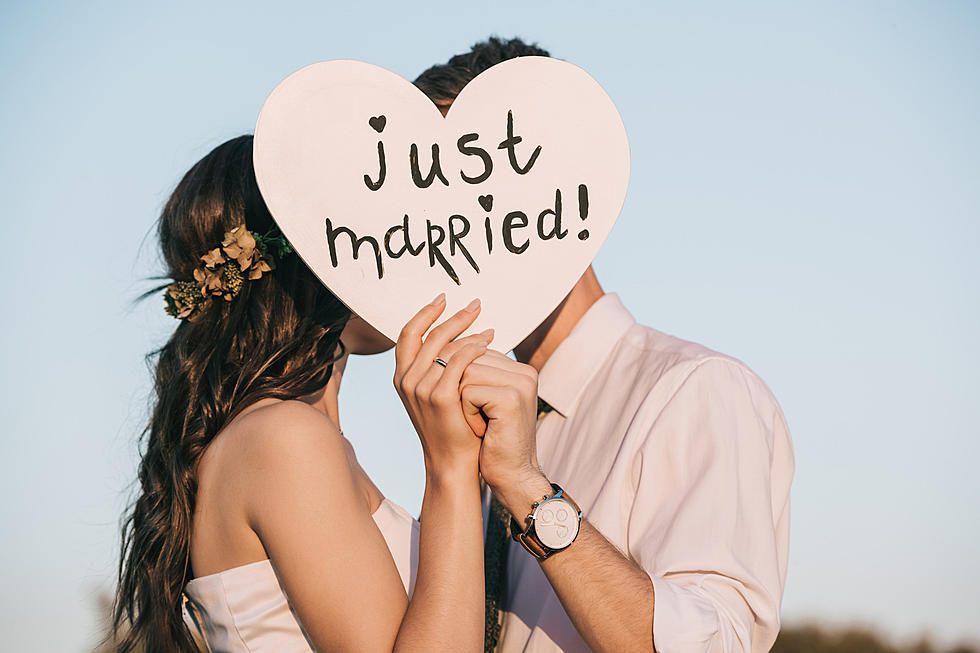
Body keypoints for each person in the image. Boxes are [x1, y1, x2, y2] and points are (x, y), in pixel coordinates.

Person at [415, 37, 795, 652]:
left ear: (568, 194)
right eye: (430, 201)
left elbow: (714, 644)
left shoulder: (697, 391)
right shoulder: (473, 425)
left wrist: (527, 488)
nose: (456, 226)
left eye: (477, 181)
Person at [112, 135, 504, 653]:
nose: (405, 250)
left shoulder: (279, 437)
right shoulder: (285, 439)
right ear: (320, 254)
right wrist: (451, 467)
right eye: (378, 232)